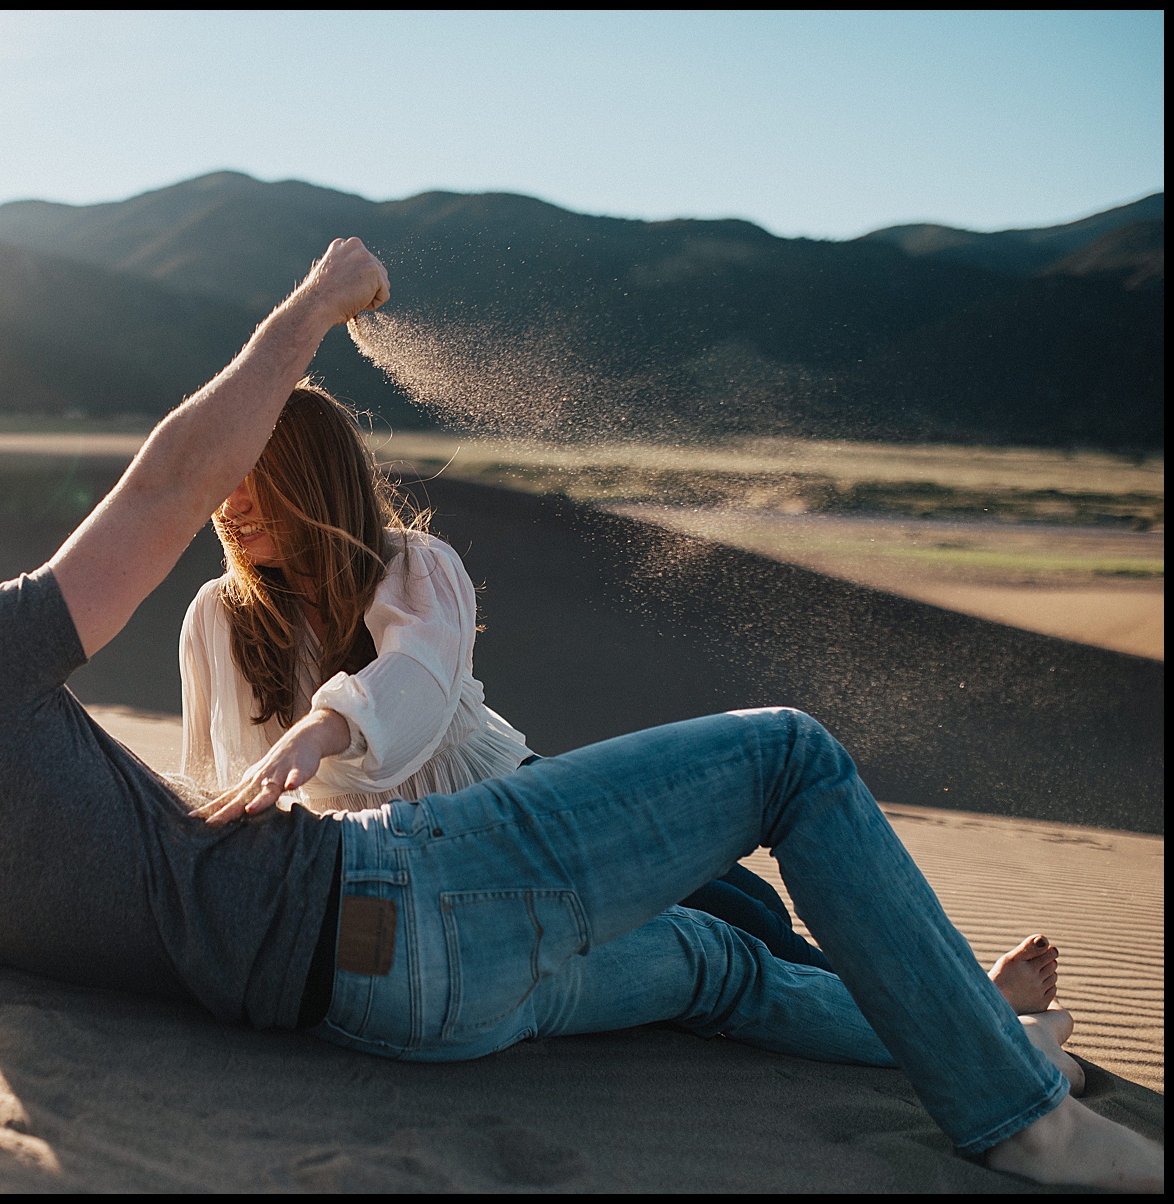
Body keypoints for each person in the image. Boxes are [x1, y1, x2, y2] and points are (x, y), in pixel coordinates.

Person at [0, 238, 1159, 1191]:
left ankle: (993, 1030)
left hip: (400, 1013)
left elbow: (168, 854)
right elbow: (164, 485)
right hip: (413, 901)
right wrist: (308, 310)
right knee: (788, 753)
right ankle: (1016, 1118)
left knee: (723, 973)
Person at [178, 381, 1066, 1008]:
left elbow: (407, 699)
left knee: (739, 904)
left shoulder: (416, 568)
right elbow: (215, 775)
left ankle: (953, 997)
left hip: (521, 805)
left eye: (258, 473)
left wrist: (321, 731)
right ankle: (968, 1004)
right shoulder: (219, 616)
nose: (233, 500)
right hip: (409, 877)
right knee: (709, 950)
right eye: (225, 476)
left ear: (316, 477)